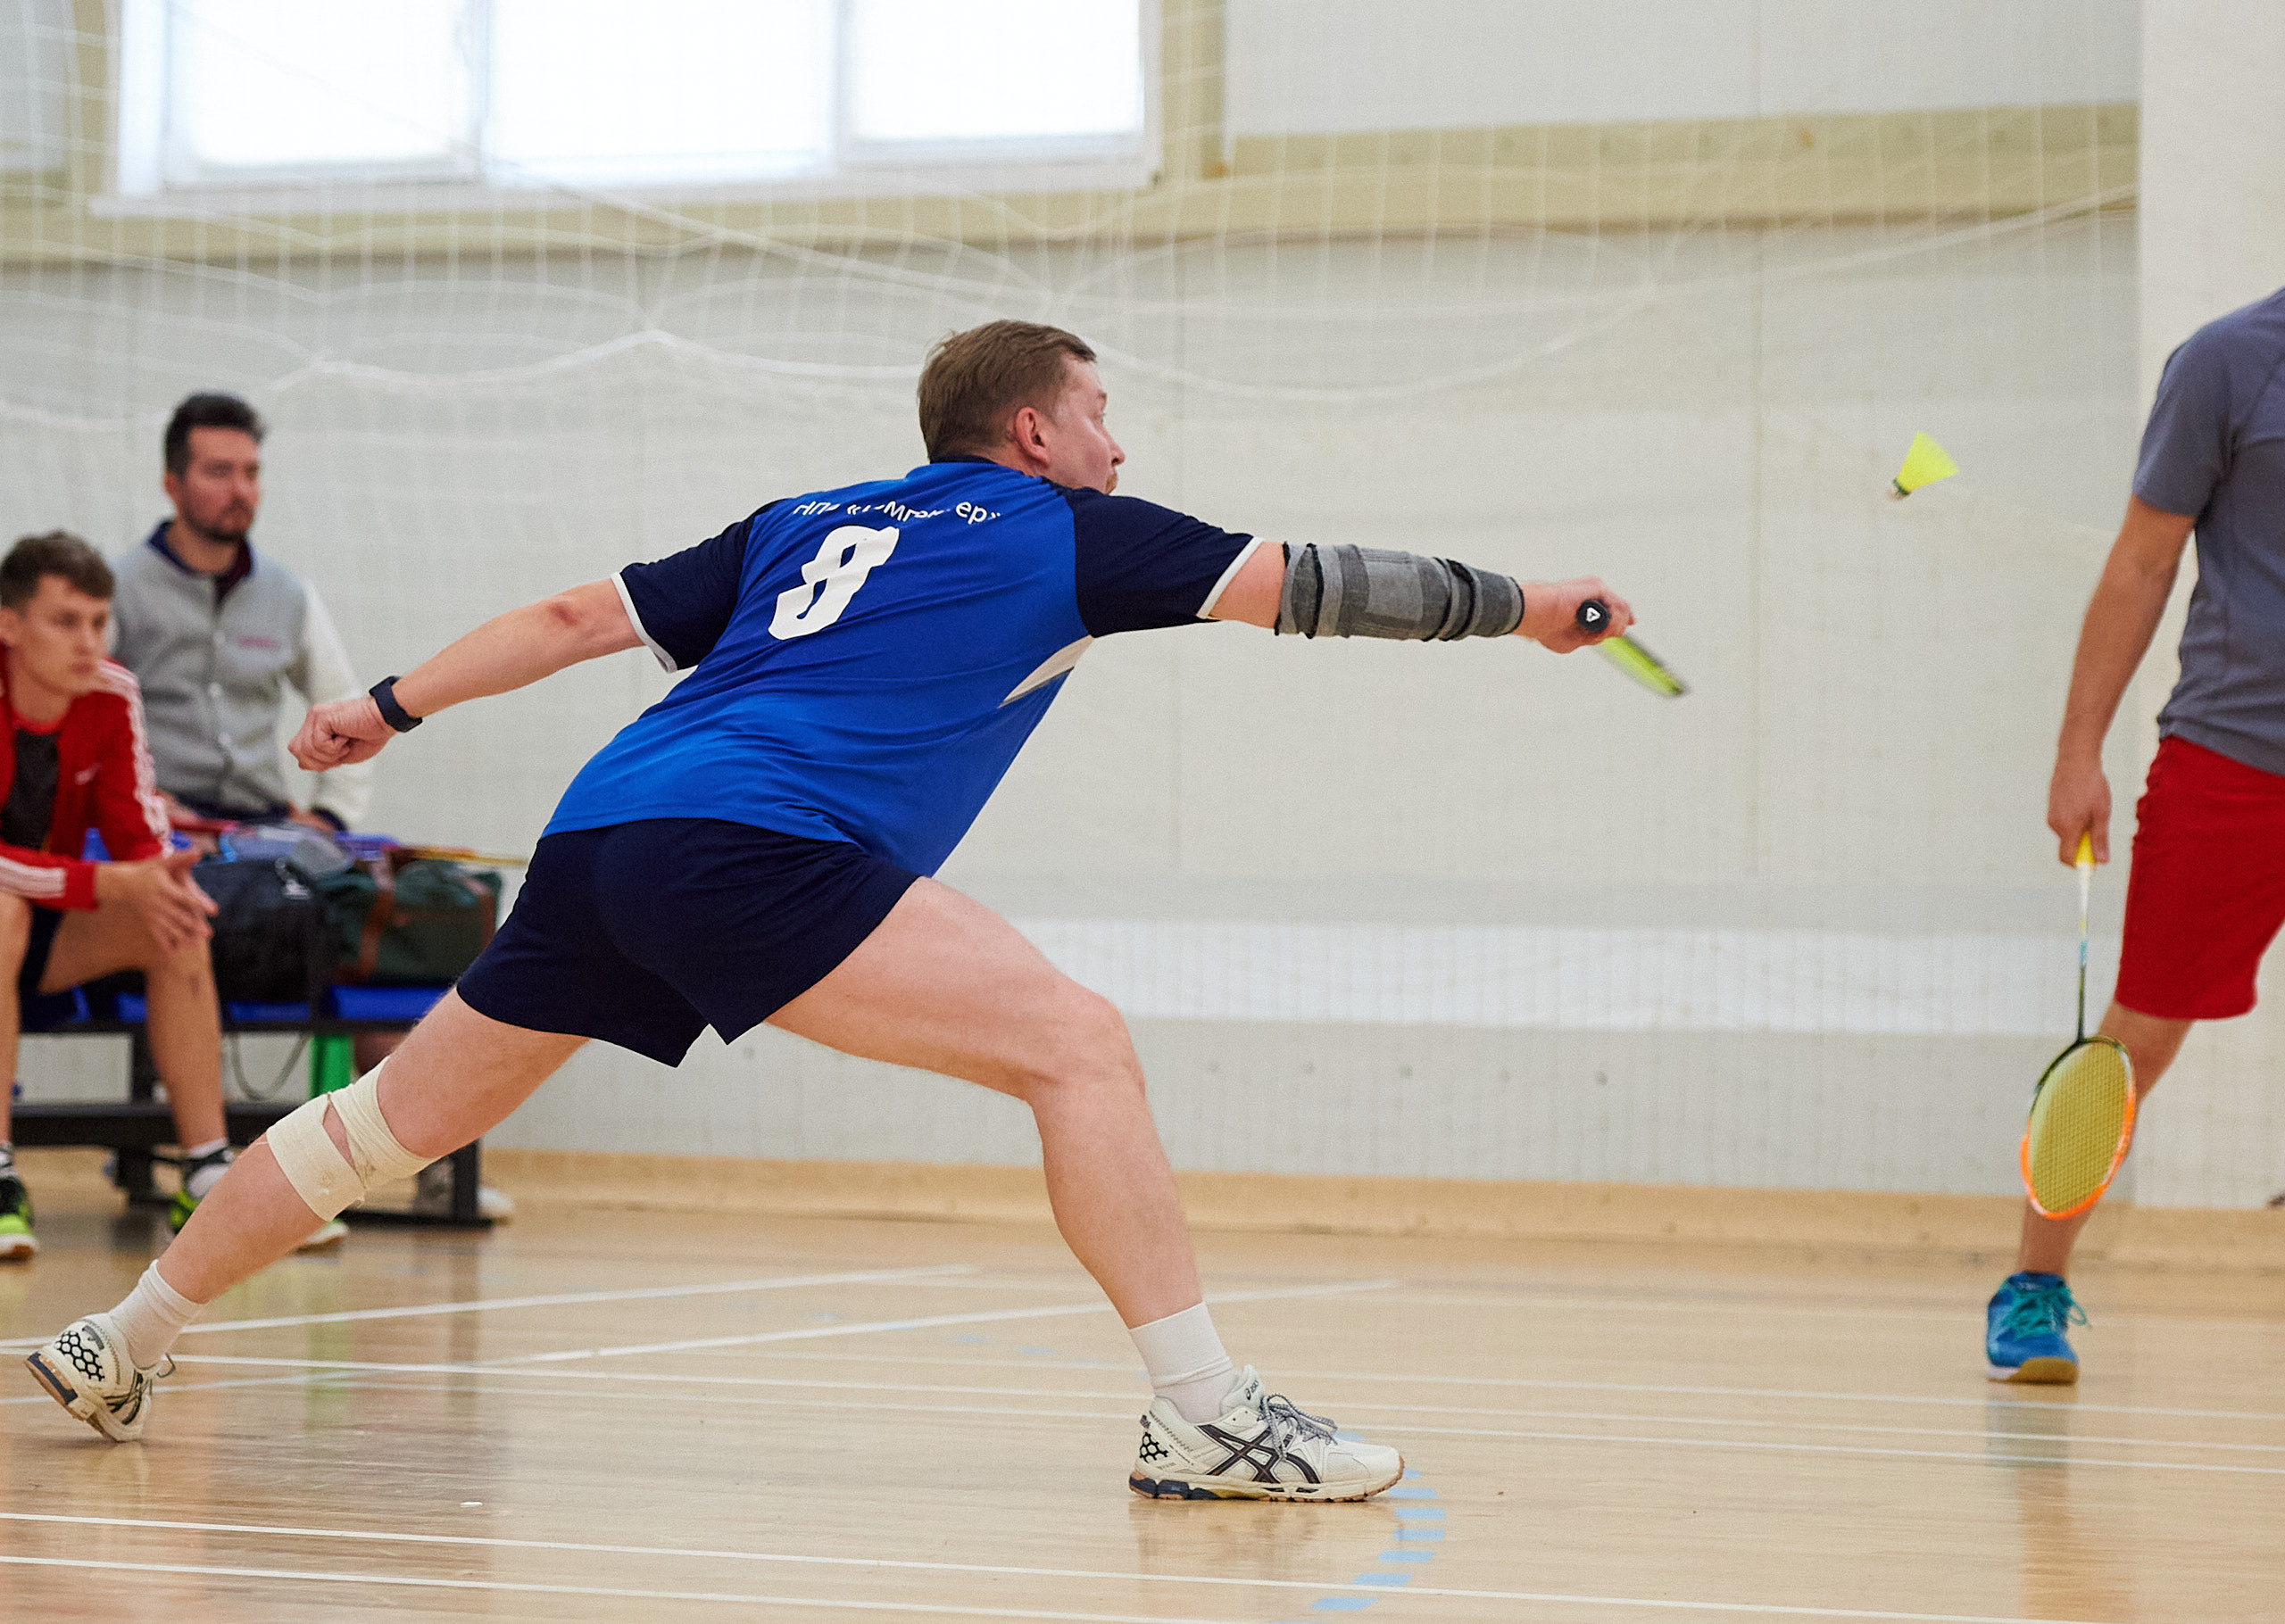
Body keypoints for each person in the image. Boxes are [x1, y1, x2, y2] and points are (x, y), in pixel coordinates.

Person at [25, 320, 1633, 1497]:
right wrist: (1529, 608)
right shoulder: (1066, 529)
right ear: (1029, 433)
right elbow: (1328, 586)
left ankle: (124, 1344)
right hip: (753, 845)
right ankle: (1204, 1411)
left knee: (385, 1126)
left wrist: (389, 704)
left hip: (605, 824)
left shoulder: (806, 520)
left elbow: (583, 613)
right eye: (1098, 416)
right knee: (1078, 1048)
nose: (1119, 447)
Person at [111, 393, 506, 1224]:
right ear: (173, 482)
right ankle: (201, 1155)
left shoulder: (289, 596)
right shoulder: (117, 591)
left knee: (397, 914)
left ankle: (419, 1159)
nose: (239, 489)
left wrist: (329, 817)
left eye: (250, 472)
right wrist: (140, 810)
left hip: (271, 831)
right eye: (218, 472)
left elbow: (348, 705)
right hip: (160, 834)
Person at [1990, 285, 2285, 1384]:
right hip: (2234, 759)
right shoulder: (2226, 363)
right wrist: (2079, 749)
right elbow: (2139, 562)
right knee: (2136, 1040)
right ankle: (2032, 1283)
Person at [0, 534, 345, 1259]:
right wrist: (104, 881)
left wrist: (159, 875)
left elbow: (138, 836)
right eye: (66, 622)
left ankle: (207, 1169)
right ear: (9, 623)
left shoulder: (113, 693)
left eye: (98, 621)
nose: (89, 642)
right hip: (12, 918)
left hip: (42, 931)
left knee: (176, 918)